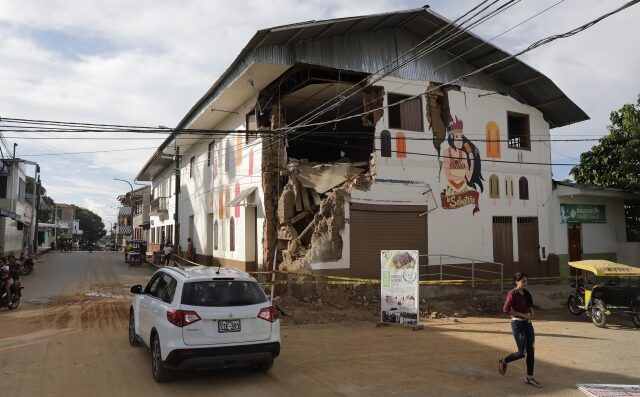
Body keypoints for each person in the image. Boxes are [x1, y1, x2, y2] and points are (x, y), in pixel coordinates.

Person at [498, 272, 540, 388]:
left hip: (528, 325)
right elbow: (506, 309)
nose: (526, 283)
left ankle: (530, 378)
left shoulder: (527, 293)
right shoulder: (512, 294)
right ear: (516, 282)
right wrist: (523, 315)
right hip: (517, 324)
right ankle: (504, 360)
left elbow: (531, 306)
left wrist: (531, 312)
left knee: (531, 350)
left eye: (527, 281)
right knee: (522, 353)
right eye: (523, 281)